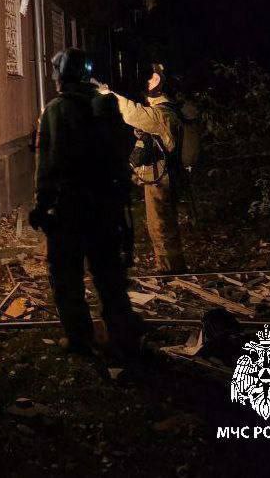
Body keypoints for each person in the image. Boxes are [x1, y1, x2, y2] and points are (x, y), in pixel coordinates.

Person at [29, 48, 143, 357]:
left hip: (70, 208)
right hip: (106, 206)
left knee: (66, 276)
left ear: (62, 76)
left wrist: (41, 205)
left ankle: (79, 337)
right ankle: (122, 334)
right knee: (109, 274)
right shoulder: (106, 106)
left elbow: (48, 164)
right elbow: (120, 153)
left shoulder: (55, 110)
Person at [98, 64, 187, 273]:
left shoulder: (163, 114)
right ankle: (171, 267)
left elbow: (133, 113)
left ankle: (170, 270)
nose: (147, 82)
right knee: (161, 223)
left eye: (152, 78)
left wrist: (109, 95)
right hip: (160, 174)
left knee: (161, 225)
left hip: (162, 178)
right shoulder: (161, 111)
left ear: (160, 82)